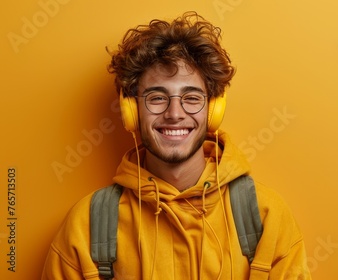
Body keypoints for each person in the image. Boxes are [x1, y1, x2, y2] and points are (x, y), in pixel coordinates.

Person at [42, 11, 311, 279]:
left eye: (191, 98)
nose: (174, 113)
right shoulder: (85, 226)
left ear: (213, 110)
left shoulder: (266, 216)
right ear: (132, 111)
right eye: (157, 97)